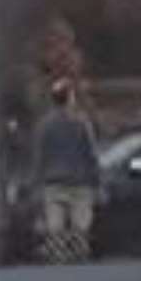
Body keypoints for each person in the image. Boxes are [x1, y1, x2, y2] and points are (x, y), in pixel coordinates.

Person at [31, 79, 101, 257]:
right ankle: (79, 253)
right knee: (81, 225)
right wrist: (97, 182)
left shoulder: (44, 125)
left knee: (55, 226)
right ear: (70, 98)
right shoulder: (81, 123)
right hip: (80, 182)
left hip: (53, 182)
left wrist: (36, 183)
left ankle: (58, 254)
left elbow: (39, 156)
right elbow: (91, 153)